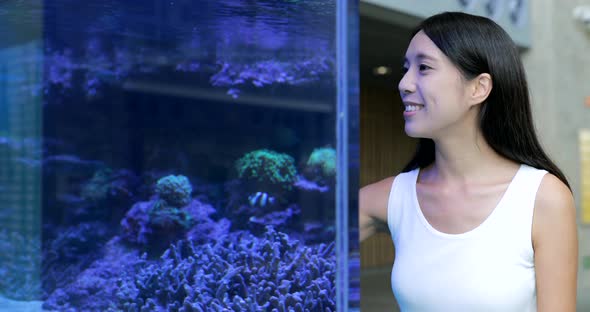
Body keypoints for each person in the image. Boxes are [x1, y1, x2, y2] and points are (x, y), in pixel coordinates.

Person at [359, 11, 578, 311]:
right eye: (405, 68)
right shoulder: (391, 197)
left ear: (479, 88)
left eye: (423, 67)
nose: (404, 83)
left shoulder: (543, 197)